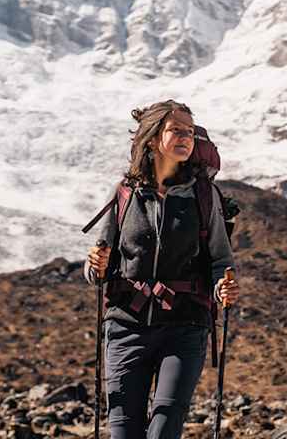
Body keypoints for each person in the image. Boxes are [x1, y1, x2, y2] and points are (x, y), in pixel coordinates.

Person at [84, 99, 241, 439]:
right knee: (123, 431)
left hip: (185, 326)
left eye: (190, 132)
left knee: (165, 427)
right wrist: (94, 266)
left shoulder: (204, 195)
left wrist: (222, 288)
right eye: (176, 130)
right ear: (154, 138)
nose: (186, 137)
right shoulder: (124, 194)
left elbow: (220, 260)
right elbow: (99, 264)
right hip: (126, 326)